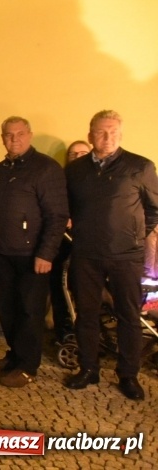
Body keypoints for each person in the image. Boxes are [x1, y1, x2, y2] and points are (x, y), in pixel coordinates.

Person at [64, 110, 158, 401]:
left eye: (113, 132)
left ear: (121, 134)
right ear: (90, 133)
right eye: (102, 132)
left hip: (126, 256)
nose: (107, 137)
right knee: (87, 315)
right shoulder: (75, 170)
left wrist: (136, 235)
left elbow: (154, 208)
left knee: (128, 316)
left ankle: (128, 375)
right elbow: (66, 208)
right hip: (86, 254)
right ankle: (88, 368)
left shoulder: (140, 166)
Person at [0, 117, 69, 388]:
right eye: (8, 135)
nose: (14, 139)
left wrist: (46, 254)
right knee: (7, 309)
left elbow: (57, 216)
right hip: (3, 253)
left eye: (19, 134)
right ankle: (14, 356)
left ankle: (28, 366)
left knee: (30, 311)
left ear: (29, 135)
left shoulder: (46, 168)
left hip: (33, 256)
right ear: (2, 137)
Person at [48, 140, 92, 344]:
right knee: (60, 290)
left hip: (90, 244)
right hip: (64, 242)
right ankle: (64, 333)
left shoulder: (99, 178)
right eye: (73, 154)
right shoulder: (60, 179)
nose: (78, 157)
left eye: (83, 153)